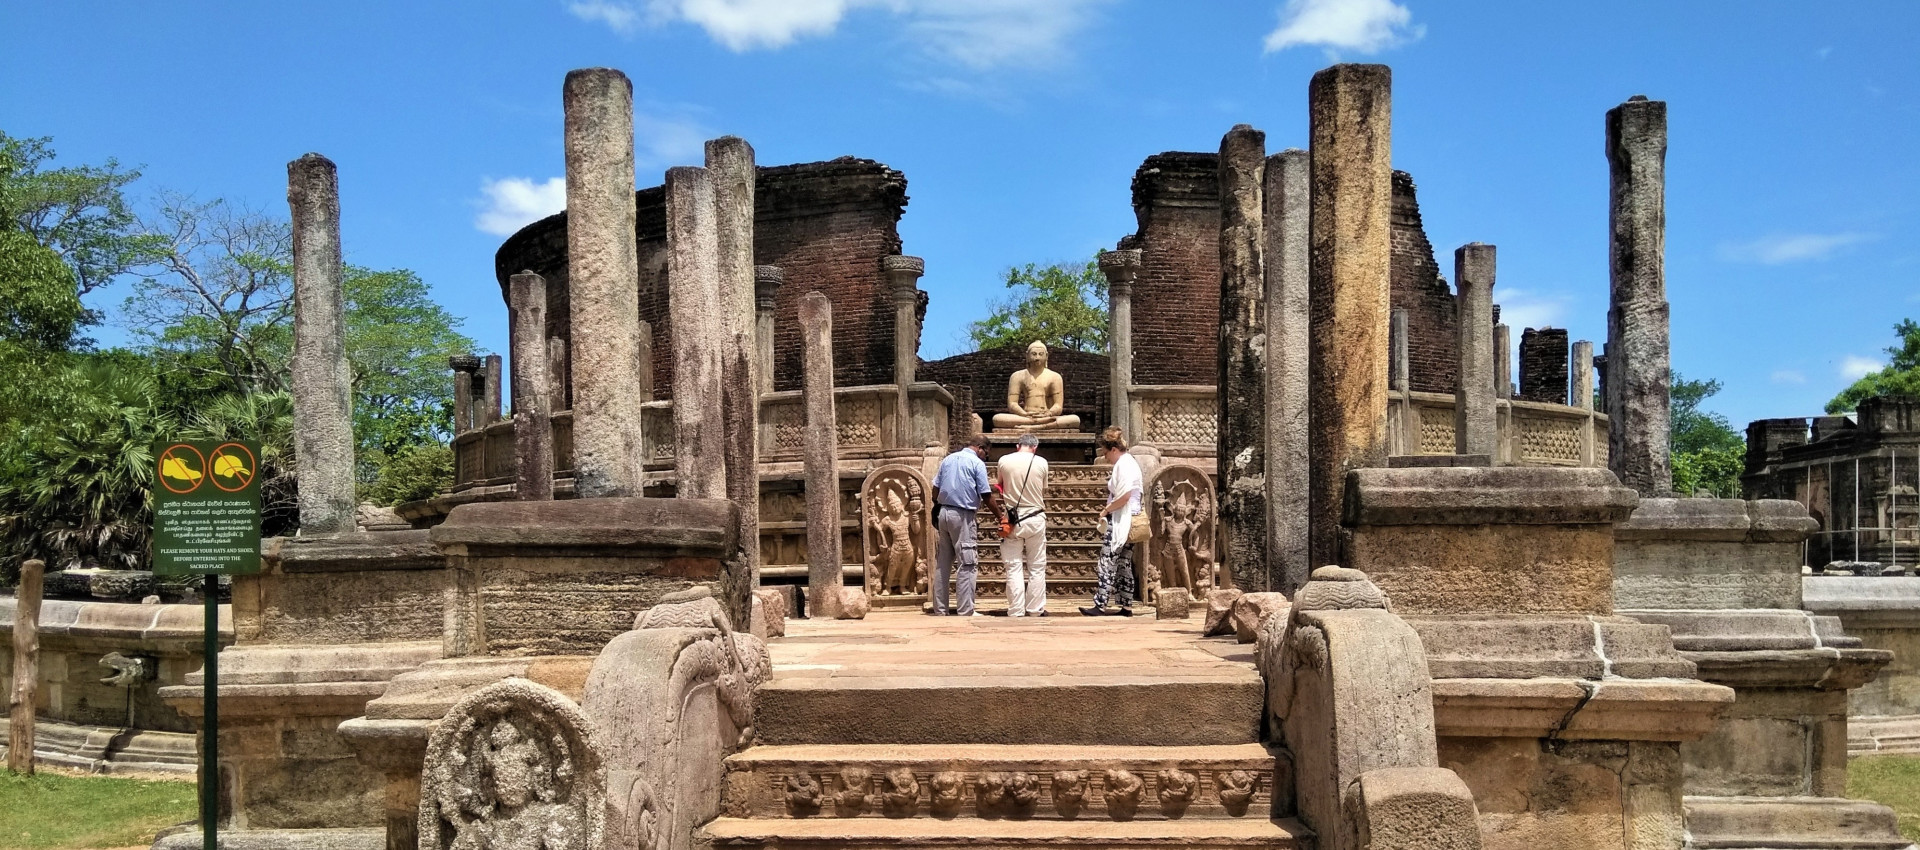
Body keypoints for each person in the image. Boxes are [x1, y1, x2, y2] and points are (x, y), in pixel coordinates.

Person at [930, 433, 1002, 616]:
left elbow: (935, 488)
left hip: (944, 513)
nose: (986, 458)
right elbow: (986, 494)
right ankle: (965, 609)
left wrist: (938, 504)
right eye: (986, 454)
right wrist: (1001, 516)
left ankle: (940, 609)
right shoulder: (976, 463)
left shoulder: (948, 460)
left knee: (943, 563)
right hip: (962, 514)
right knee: (967, 563)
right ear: (980, 449)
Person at [1082, 426, 1141, 617]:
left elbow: (1124, 495)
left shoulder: (1123, 465)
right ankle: (1126, 605)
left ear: (1114, 449)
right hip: (1130, 516)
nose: (1106, 457)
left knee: (1107, 562)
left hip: (1121, 519)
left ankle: (1100, 604)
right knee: (1124, 563)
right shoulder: (1130, 462)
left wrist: (1106, 510)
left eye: (1107, 453)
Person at [996, 432, 1050, 616]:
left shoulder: (1004, 460)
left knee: (1013, 566)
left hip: (1012, 519)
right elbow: (1043, 489)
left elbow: (1000, 486)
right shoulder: (1041, 462)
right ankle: (1035, 609)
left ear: (1018, 446)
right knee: (1037, 566)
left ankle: (1016, 609)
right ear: (1034, 447)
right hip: (1035, 517)